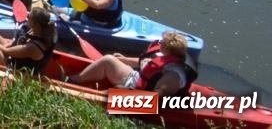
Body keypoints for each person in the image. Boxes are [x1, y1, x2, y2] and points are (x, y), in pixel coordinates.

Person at [67, 31, 196, 97]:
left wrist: (123, 94)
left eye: (162, 43)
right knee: (108, 60)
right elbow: (145, 62)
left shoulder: (173, 75)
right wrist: (124, 59)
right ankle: (73, 80)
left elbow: (158, 99)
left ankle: (77, 87)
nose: (160, 43)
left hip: (138, 90)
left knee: (107, 63)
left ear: (168, 48)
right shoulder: (165, 55)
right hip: (138, 79)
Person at [0, 5, 58, 75]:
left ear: (36, 24)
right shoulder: (34, 30)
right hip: (12, 55)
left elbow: (6, 51)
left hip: (14, 68)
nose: (27, 17)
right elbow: (15, 43)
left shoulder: (33, 48)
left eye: (29, 17)